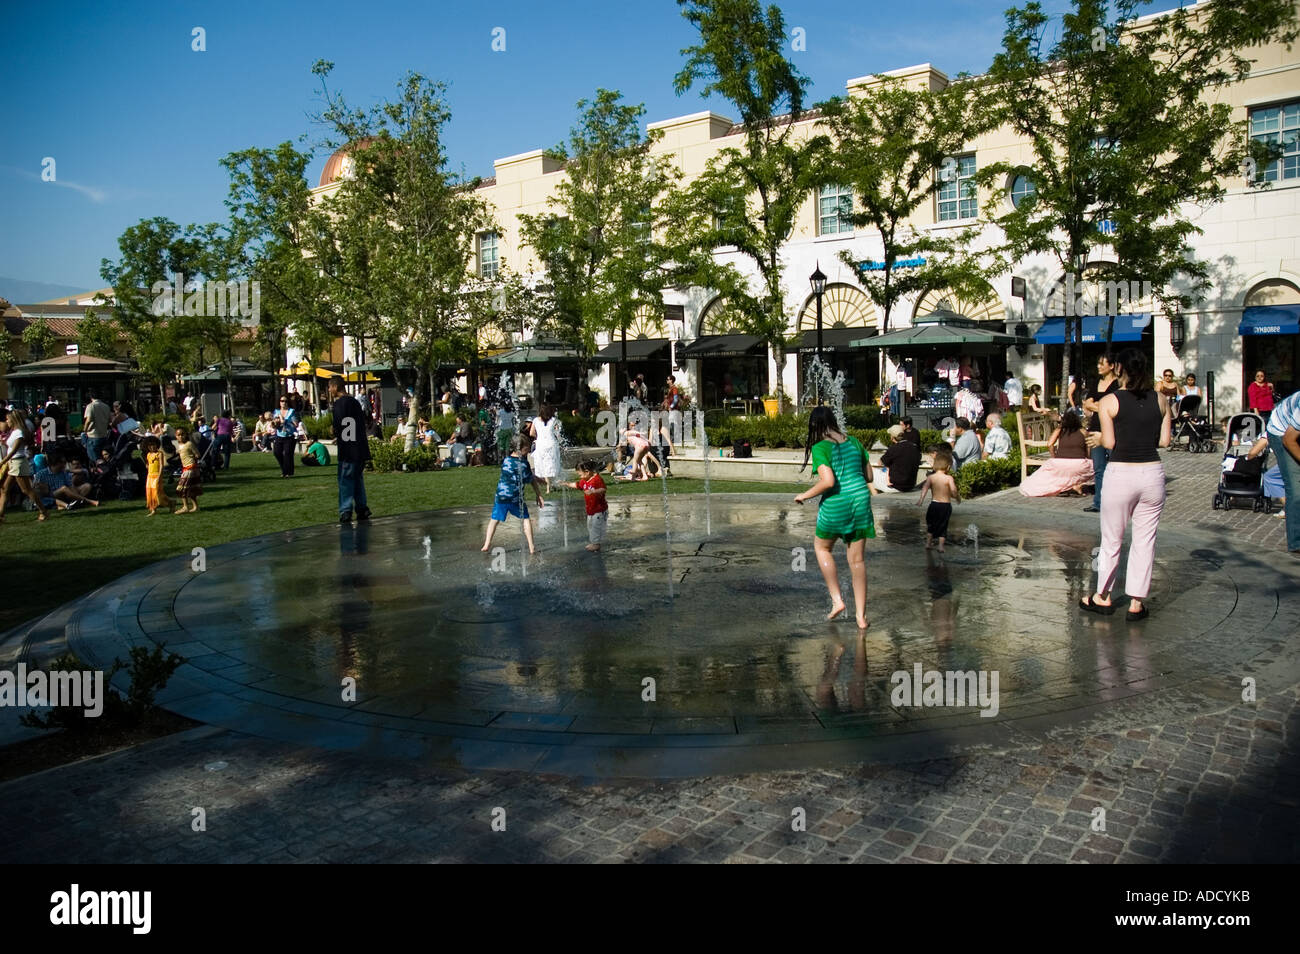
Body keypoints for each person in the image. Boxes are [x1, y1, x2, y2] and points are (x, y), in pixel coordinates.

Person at [1080, 347, 1172, 621]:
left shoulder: (1110, 401)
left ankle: (1103, 596)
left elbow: (1109, 443)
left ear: (1119, 369)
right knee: (1145, 540)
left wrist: (1098, 438)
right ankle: (1135, 603)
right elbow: (1165, 442)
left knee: (1112, 539)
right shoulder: (1161, 399)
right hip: (1152, 473)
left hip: (1121, 472)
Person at [794, 406, 874, 630]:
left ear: (815, 426)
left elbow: (828, 482)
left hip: (836, 504)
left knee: (822, 548)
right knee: (857, 561)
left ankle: (837, 600)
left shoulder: (821, 447)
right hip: (860, 501)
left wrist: (804, 495)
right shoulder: (855, 442)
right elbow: (869, 475)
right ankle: (860, 617)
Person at [482, 433, 545, 554]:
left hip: (502, 496)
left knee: (494, 519)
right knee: (526, 519)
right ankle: (532, 547)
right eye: (526, 449)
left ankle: (487, 544)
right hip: (516, 498)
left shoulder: (506, 461)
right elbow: (529, 479)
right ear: (519, 449)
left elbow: (522, 474)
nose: (528, 451)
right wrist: (539, 494)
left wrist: (535, 477)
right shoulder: (524, 463)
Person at [1018, 410, 1094, 497]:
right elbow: (1089, 448)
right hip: (1079, 464)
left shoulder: (1060, 429)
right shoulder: (1083, 431)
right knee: (1096, 470)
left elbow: (1049, 444)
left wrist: (1054, 457)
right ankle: (1077, 486)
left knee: (1049, 477)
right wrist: (1088, 459)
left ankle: (1065, 487)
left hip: (1059, 464)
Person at [329, 376, 372, 524]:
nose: (329, 390)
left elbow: (339, 426)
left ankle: (345, 510)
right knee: (357, 480)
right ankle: (362, 508)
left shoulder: (339, 404)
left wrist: (334, 431)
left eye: (330, 387)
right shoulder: (355, 402)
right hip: (360, 448)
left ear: (335, 387)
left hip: (347, 449)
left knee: (345, 480)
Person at [1082, 352, 1119, 513]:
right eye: (1098, 363)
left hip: (1112, 428)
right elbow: (1087, 403)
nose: (1098, 366)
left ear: (1111, 366)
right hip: (1095, 428)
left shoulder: (1118, 384)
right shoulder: (1095, 382)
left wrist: (1098, 406)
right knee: (1099, 468)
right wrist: (1105, 407)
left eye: (1101, 364)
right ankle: (1098, 502)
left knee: (1117, 466)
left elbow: (1117, 406)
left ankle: (1118, 502)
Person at [1265, 388, 1300, 554]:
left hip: (1294, 429)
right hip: (1281, 432)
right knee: (1296, 487)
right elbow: (1289, 440)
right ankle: (1297, 542)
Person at [0, 411, 49, 522]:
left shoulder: (19, 433)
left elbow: (14, 451)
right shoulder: (14, 432)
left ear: (14, 420)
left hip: (18, 463)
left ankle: (43, 511)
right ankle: (1, 515)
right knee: (4, 489)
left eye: (8, 419)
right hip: (13, 463)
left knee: (26, 490)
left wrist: (3, 461)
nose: (6, 421)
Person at [560, 459, 609, 552]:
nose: (580, 476)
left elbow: (603, 489)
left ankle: (596, 544)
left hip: (599, 509)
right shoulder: (584, 480)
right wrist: (567, 484)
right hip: (591, 509)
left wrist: (593, 491)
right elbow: (577, 485)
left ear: (587, 472)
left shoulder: (597, 479)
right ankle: (594, 542)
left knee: (595, 526)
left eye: (580, 474)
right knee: (590, 526)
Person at [917, 448, 960, 552]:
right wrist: (957, 497)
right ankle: (941, 546)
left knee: (931, 524)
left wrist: (921, 500)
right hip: (945, 506)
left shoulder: (931, 477)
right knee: (943, 525)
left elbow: (925, 488)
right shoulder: (949, 478)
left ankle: (928, 543)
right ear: (948, 466)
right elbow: (953, 490)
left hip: (934, 504)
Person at [33, 454, 99, 511]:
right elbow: (35, 489)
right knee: (64, 488)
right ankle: (89, 501)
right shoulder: (41, 474)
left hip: (66, 494)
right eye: (63, 462)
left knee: (87, 486)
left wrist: (75, 493)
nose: (65, 464)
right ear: (56, 463)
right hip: (51, 495)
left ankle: (76, 502)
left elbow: (70, 485)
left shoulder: (63, 472)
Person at [874, 423, 921, 493]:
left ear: (892, 437)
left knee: (871, 472)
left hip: (896, 486)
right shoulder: (914, 447)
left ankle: (875, 498)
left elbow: (880, 462)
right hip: (911, 485)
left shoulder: (893, 449)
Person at [528, 404, 562, 492]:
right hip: (551, 444)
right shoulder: (554, 420)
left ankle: (548, 486)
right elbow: (557, 433)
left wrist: (537, 438)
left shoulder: (535, 420)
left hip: (541, 444)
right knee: (551, 464)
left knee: (543, 464)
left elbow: (531, 433)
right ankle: (553, 484)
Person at [141, 435, 174, 515]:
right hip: (150, 476)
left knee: (158, 493)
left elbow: (161, 466)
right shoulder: (148, 454)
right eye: (150, 445)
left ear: (157, 445)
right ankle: (153, 509)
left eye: (153, 445)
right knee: (150, 492)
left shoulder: (159, 454)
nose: (152, 447)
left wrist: (159, 476)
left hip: (157, 475)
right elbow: (148, 465)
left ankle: (170, 503)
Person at [173, 426, 202, 513]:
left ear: (186, 435)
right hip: (186, 468)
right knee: (191, 489)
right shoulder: (180, 445)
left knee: (181, 488)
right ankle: (196, 507)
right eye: (179, 435)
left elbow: (197, 454)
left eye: (182, 434)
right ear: (176, 436)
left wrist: (194, 457)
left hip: (190, 469)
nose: (181, 436)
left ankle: (185, 507)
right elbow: (181, 451)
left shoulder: (189, 444)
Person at [272, 397, 297, 477]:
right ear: (279, 402)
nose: (284, 402)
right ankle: (285, 469)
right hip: (279, 435)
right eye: (282, 401)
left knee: (288, 454)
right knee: (277, 452)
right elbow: (274, 422)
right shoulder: (276, 412)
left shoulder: (291, 411)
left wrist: (285, 421)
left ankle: (288, 472)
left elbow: (295, 424)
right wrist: (276, 423)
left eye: (286, 401)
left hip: (289, 435)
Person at [82, 392, 112, 460]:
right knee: (102, 458)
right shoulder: (106, 406)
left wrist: (85, 430)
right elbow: (110, 421)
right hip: (104, 435)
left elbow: (88, 420)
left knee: (94, 460)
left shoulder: (90, 406)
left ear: (91, 397)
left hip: (93, 436)